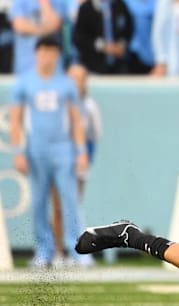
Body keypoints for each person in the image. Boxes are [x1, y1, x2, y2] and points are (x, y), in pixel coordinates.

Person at [8, 35, 88, 269]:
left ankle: (79, 250)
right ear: (36, 53)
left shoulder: (66, 84)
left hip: (63, 149)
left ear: (57, 54)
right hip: (36, 149)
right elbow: (16, 119)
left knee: (70, 200)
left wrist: (81, 151)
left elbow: (76, 120)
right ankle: (44, 250)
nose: (47, 55)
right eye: (43, 50)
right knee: (39, 202)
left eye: (52, 51)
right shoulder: (25, 83)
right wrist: (18, 151)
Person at [50, 64, 102, 267]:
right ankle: (57, 252)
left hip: (78, 160)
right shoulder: (58, 102)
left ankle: (77, 251)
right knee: (58, 207)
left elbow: (95, 134)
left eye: (79, 78)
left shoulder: (89, 105)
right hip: (58, 158)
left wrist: (86, 157)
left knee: (73, 205)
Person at [72, 0, 134, 74]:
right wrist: (102, 46)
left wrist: (121, 45)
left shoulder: (119, 5)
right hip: (93, 67)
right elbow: (79, 38)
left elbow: (128, 30)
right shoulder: (86, 8)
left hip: (118, 67)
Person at [9, 0, 64, 74]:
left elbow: (55, 24)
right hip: (25, 65)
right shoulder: (20, 2)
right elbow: (19, 26)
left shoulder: (58, 2)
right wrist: (45, 30)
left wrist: (44, 3)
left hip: (53, 66)